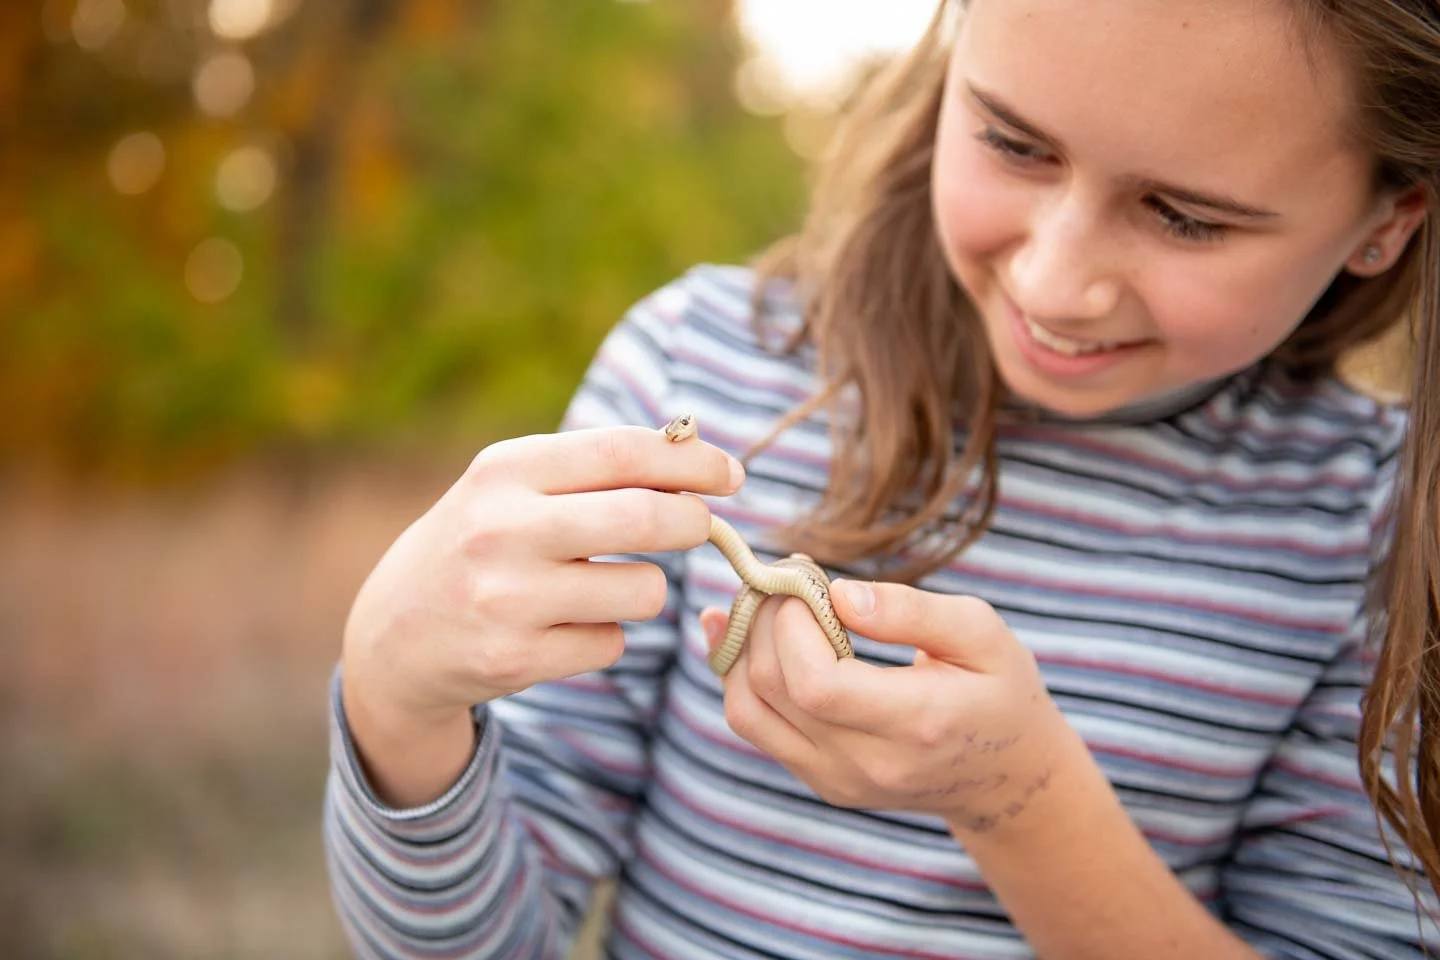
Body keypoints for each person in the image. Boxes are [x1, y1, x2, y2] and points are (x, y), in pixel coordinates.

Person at [322, 0, 1440, 956]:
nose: (1054, 282)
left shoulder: (1377, 541)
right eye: (1014, 144)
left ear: (1387, 221)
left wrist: (1017, 802)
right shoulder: (703, 371)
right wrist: (393, 694)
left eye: (1186, 216)